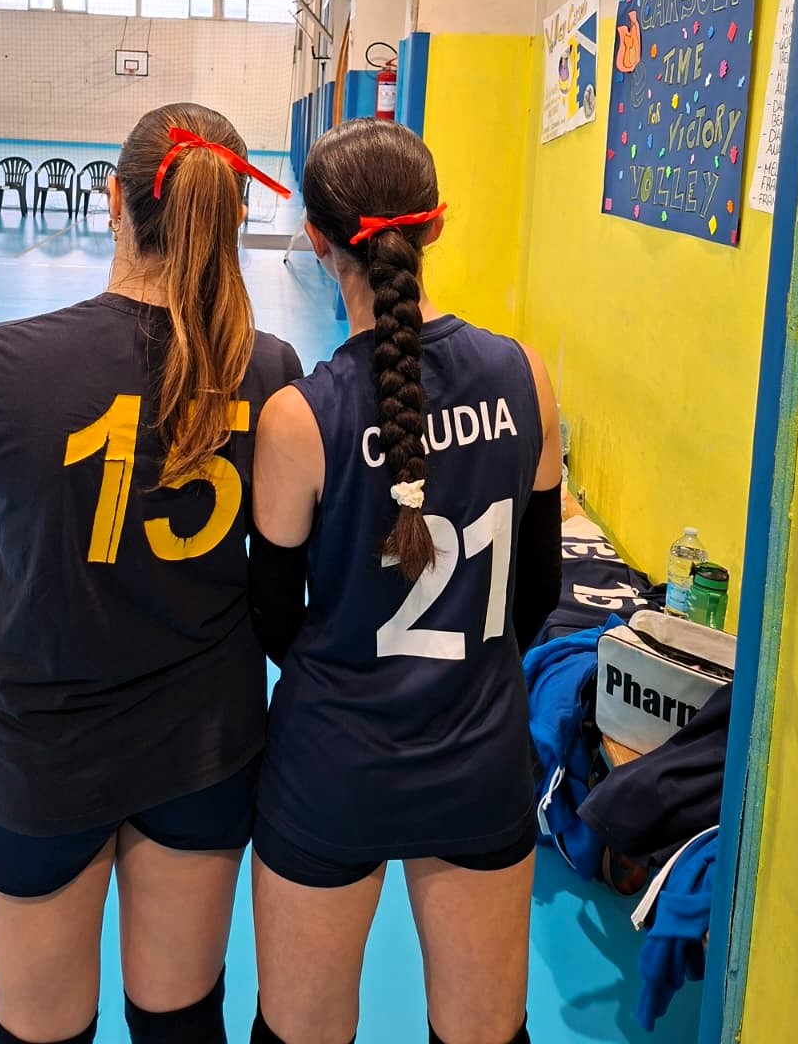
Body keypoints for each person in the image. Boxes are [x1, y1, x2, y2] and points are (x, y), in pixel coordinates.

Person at [0, 104, 300, 1044]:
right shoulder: (272, 371)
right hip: (203, 748)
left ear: (115, 202)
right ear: (232, 216)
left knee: (40, 1033)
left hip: (39, 752)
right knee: (180, 1026)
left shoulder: (5, 363)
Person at [247, 119, 563, 1044]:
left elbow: (274, 620)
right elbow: (534, 594)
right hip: (479, 759)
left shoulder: (299, 418)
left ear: (316, 237)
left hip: (332, 767)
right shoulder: (526, 377)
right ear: (438, 226)